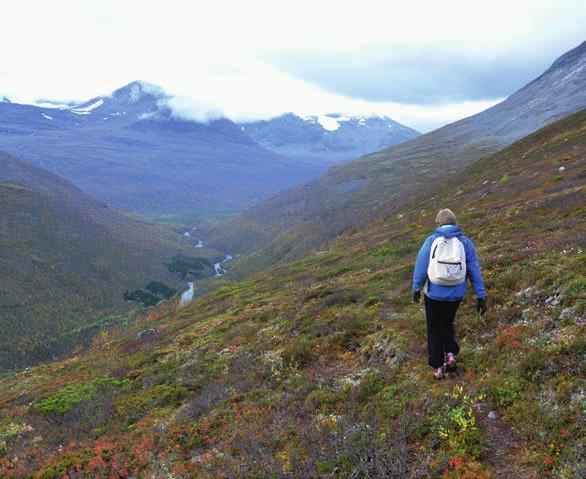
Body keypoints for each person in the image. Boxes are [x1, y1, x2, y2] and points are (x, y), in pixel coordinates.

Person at [412, 208, 487, 379]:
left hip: (433, 294)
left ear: (438, 223)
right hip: (456, 294)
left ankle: (438, 367)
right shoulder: (466, 243)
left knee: (434, 329)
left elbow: (421, 267)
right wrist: (480, 295)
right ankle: (450, 355)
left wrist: (416, 289)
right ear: (455, 222)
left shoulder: (431, 241)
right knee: (447, 323)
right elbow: (474, 270)